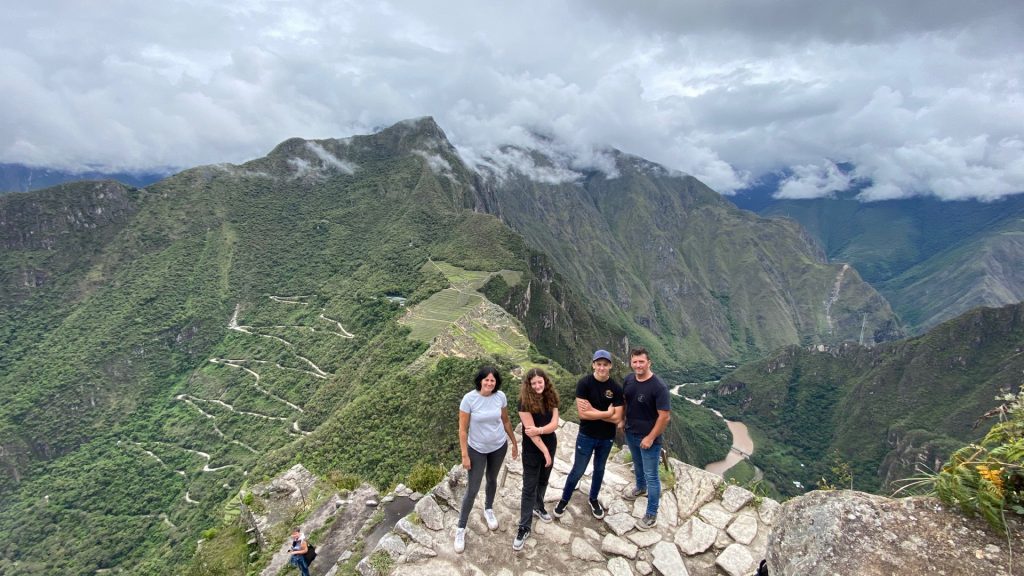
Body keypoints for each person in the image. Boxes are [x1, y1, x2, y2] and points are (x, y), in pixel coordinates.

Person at [553, 349, 623, 520]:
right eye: (599, 364)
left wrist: (595, 412)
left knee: (599, 469)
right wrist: (606, 413)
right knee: (578, 470)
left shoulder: (616, 388)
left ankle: (593, 499)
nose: (602, 368)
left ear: (610, 366)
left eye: (605, 365)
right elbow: (583, 415)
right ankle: (564, 499)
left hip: (606, 438)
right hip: (587, 435)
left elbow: (618, 418)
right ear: (593, 365)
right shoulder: (584, 384)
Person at [455, 366, 519, 553]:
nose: (490, 383)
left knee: (492, 480)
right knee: (473, 488)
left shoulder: (500, 397)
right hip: (477, 449)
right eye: (487, 379)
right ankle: (460, 528)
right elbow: (462, 429)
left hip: (498, 446)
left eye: (493, 380)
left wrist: (514, 442)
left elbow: (506, 421)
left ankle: (488, 509)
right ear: (480, 380)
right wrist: (465, 454)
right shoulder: (469, 399)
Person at [622, 347, 671, 530]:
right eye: (634, 362)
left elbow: (664, 416)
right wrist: (621, 421)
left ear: (649, 363)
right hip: (631, 432)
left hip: (649, 439)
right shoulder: (628, 380)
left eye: (641, 361)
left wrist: (650, 438)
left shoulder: (658, 387)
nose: (638, 365)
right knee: (638, 465)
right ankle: (640, 488)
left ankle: (651, 514)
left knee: (652, 476)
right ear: (631, 363)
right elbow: (625, 401)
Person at [513, 368, 560, 551]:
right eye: (533, 383)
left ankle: (538, 506)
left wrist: (540, 430)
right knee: (529, 486)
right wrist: (545, 452)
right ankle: (524, 526)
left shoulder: (552, 397)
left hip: (550, 442)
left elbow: (554, 424)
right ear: (529, 385)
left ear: (545, 382)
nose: (537, 386)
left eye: (540, 382)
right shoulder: (524, 402)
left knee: (544, 479)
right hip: (533, 449)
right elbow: (529, 432)